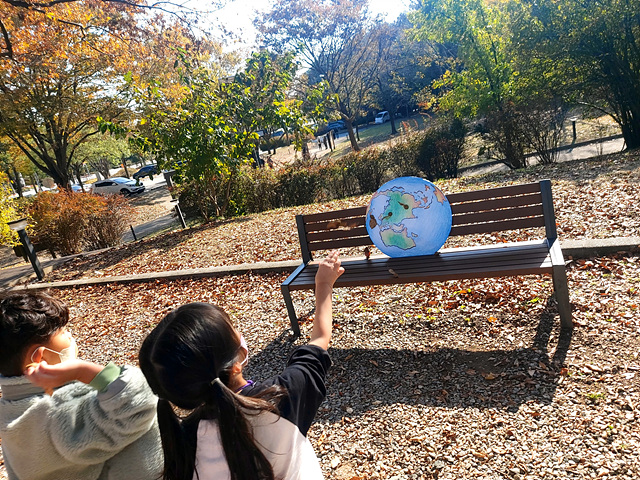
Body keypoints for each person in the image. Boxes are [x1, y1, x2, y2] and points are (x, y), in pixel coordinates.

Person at [139, 250, 344, 480]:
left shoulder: (183, 440)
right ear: (236, 363)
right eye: (232, 328)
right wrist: (324, 284)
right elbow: (320, 339)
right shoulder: (282, 398)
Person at [0, 291, 162, 480]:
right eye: (62, 332)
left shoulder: (11, 412)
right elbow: (139, 405)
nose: (70, 335)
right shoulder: (57, 412)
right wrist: (84, 371)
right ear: (40, 357)